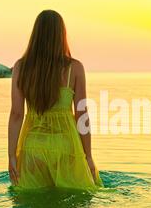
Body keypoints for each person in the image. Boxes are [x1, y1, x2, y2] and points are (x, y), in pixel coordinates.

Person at [7, 10, 102, 190]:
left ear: (35, 34)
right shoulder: (75, 68)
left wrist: (12, 155)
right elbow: (82, 115)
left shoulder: (21, 67)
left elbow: (16, 114)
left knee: (30, 207)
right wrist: (88, 156)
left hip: (33, 145)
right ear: (61, 34)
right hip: (66, 145)